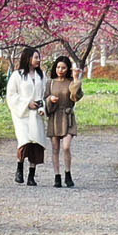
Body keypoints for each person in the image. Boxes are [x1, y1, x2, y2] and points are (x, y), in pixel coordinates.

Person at [7, 49, 52, 185]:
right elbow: (11, 95)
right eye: (36, 57)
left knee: (36, 143)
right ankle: (19, 168)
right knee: (24, 141)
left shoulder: (42, 75)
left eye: (39, 57)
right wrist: (27, 103)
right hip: (22, 114)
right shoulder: (17, 75)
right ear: (28, 58)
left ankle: (31, 175)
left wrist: (42, 105)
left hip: (37, 114)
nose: (38, 60)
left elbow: (45, 94)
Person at [43, 56, 85, 187]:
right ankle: (57, 176)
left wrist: (76, 78)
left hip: (67, 116)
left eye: (63, 67)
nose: (60, 70)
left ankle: (68, 173)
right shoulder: (50, 83)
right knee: (55, 148)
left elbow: (75, 96)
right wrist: (50, 99)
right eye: (58, 67)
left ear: (68, 69)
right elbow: (44, 99)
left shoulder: (71, 82)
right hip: (54, 117)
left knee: (66, 147)